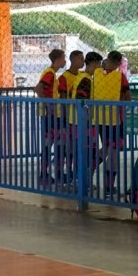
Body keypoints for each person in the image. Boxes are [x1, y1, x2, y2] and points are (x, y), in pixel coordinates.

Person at [91, 50, 131, 196]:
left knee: (107, 148)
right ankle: (109, 185)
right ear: (120, 63)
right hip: (115, 119)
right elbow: (128, 96)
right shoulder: (119, 76)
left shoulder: (97, 74)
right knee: (114, 151)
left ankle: (90, 168)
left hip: (100, 118)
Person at [68, 52, 103, 183]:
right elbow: (82, 101)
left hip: (76, 121)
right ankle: (82, 180)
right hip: (83, 123)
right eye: (99, 65)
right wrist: (88, 120)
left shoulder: (80, 77)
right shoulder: (86, 80)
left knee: (80, 152)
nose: (100, 68)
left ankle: (79, 179)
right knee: (86, 153)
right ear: (94, 64)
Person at [34, 48, 66, 186]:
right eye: (64, 58)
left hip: (54, 114)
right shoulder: (50, 73)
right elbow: (39, 88)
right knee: (49, 144)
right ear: (59, 59)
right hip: (51, 115)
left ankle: (53, 172)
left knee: (57, 143)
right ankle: (43, 174)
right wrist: (48, 106)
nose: (65, 61)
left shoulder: (52, 73)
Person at [57, 50, 84, 184]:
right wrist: (65, 120)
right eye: (80, 59)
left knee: (76, 147)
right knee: (66, 146)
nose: (83, 61)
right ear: (72, 60)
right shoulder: (64, 77)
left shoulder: (82, 76)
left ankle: (73, 172)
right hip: (68, 118)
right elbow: (63, 101)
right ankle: (62, 172)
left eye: (83, 58)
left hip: (78, 118)